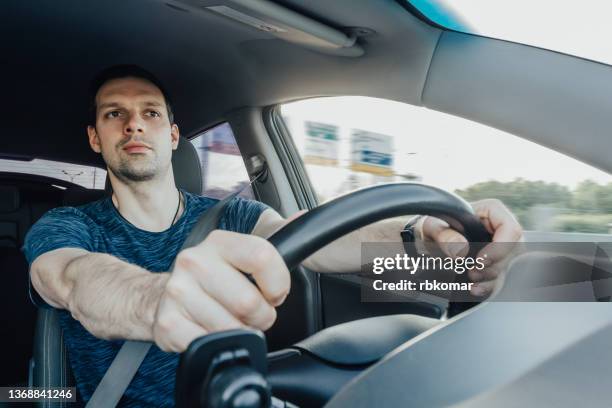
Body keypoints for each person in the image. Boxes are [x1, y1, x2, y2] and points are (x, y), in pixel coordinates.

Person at [24, 65, 522, 406]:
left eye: (151, 112)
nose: (135, 124)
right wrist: (155, 298)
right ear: (96, 137)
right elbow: (70, 279)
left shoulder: (231, 215)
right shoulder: (69, 226)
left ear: (173, 135)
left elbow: (313, 239)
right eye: (115, 113)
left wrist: (425, 243)